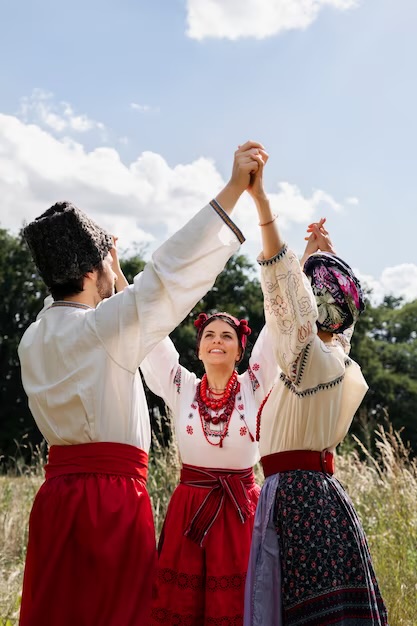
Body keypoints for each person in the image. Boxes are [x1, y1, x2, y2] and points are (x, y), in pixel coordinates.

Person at [17, 140, 266, 626]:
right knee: (119, 614)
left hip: (55, 497)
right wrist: (235, 189)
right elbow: (167, 277)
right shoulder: (102, 328)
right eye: (107, 266)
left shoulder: (34, 336)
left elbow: (67, 301)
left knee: (56, 610)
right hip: (108, 502)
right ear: (93, 272)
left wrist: (89, 259)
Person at [243, 155, 388, 625]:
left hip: (295, 502)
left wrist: (263, 204)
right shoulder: (339, 358)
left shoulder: (303, 356)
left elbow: (281, 286)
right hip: (328, 498)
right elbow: (322, 311)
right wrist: (321, 257)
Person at [139, 309, 277, 626]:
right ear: (199, 348)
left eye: (227, 336)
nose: (217, 341)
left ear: (241, 350)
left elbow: (275, 332)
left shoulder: (253, 385)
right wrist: (120, 281)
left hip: (240, 509)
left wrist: (288, 272)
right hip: (189, 511)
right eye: (209, 336)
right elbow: (153, 338)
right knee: (183, 603)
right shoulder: (182, 386)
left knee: (237, 602)